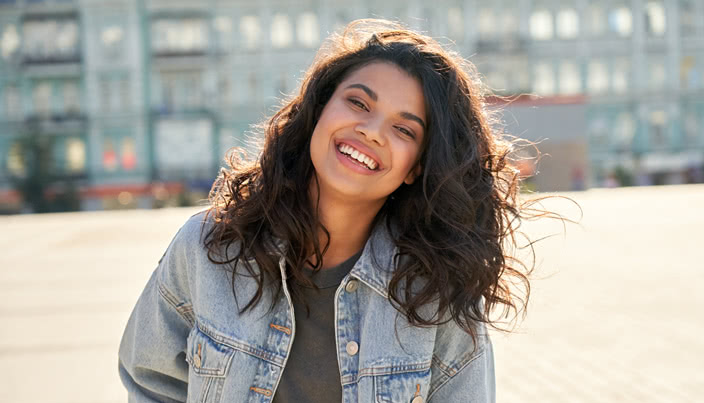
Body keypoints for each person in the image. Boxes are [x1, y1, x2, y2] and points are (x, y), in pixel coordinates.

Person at [119, 19, 535, 402]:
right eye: (358, 103)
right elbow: (148, 380)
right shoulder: (209, 246)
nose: (371, 131)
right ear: (319, 108)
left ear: (417, 168)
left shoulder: (435, 295)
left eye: (403, 129)